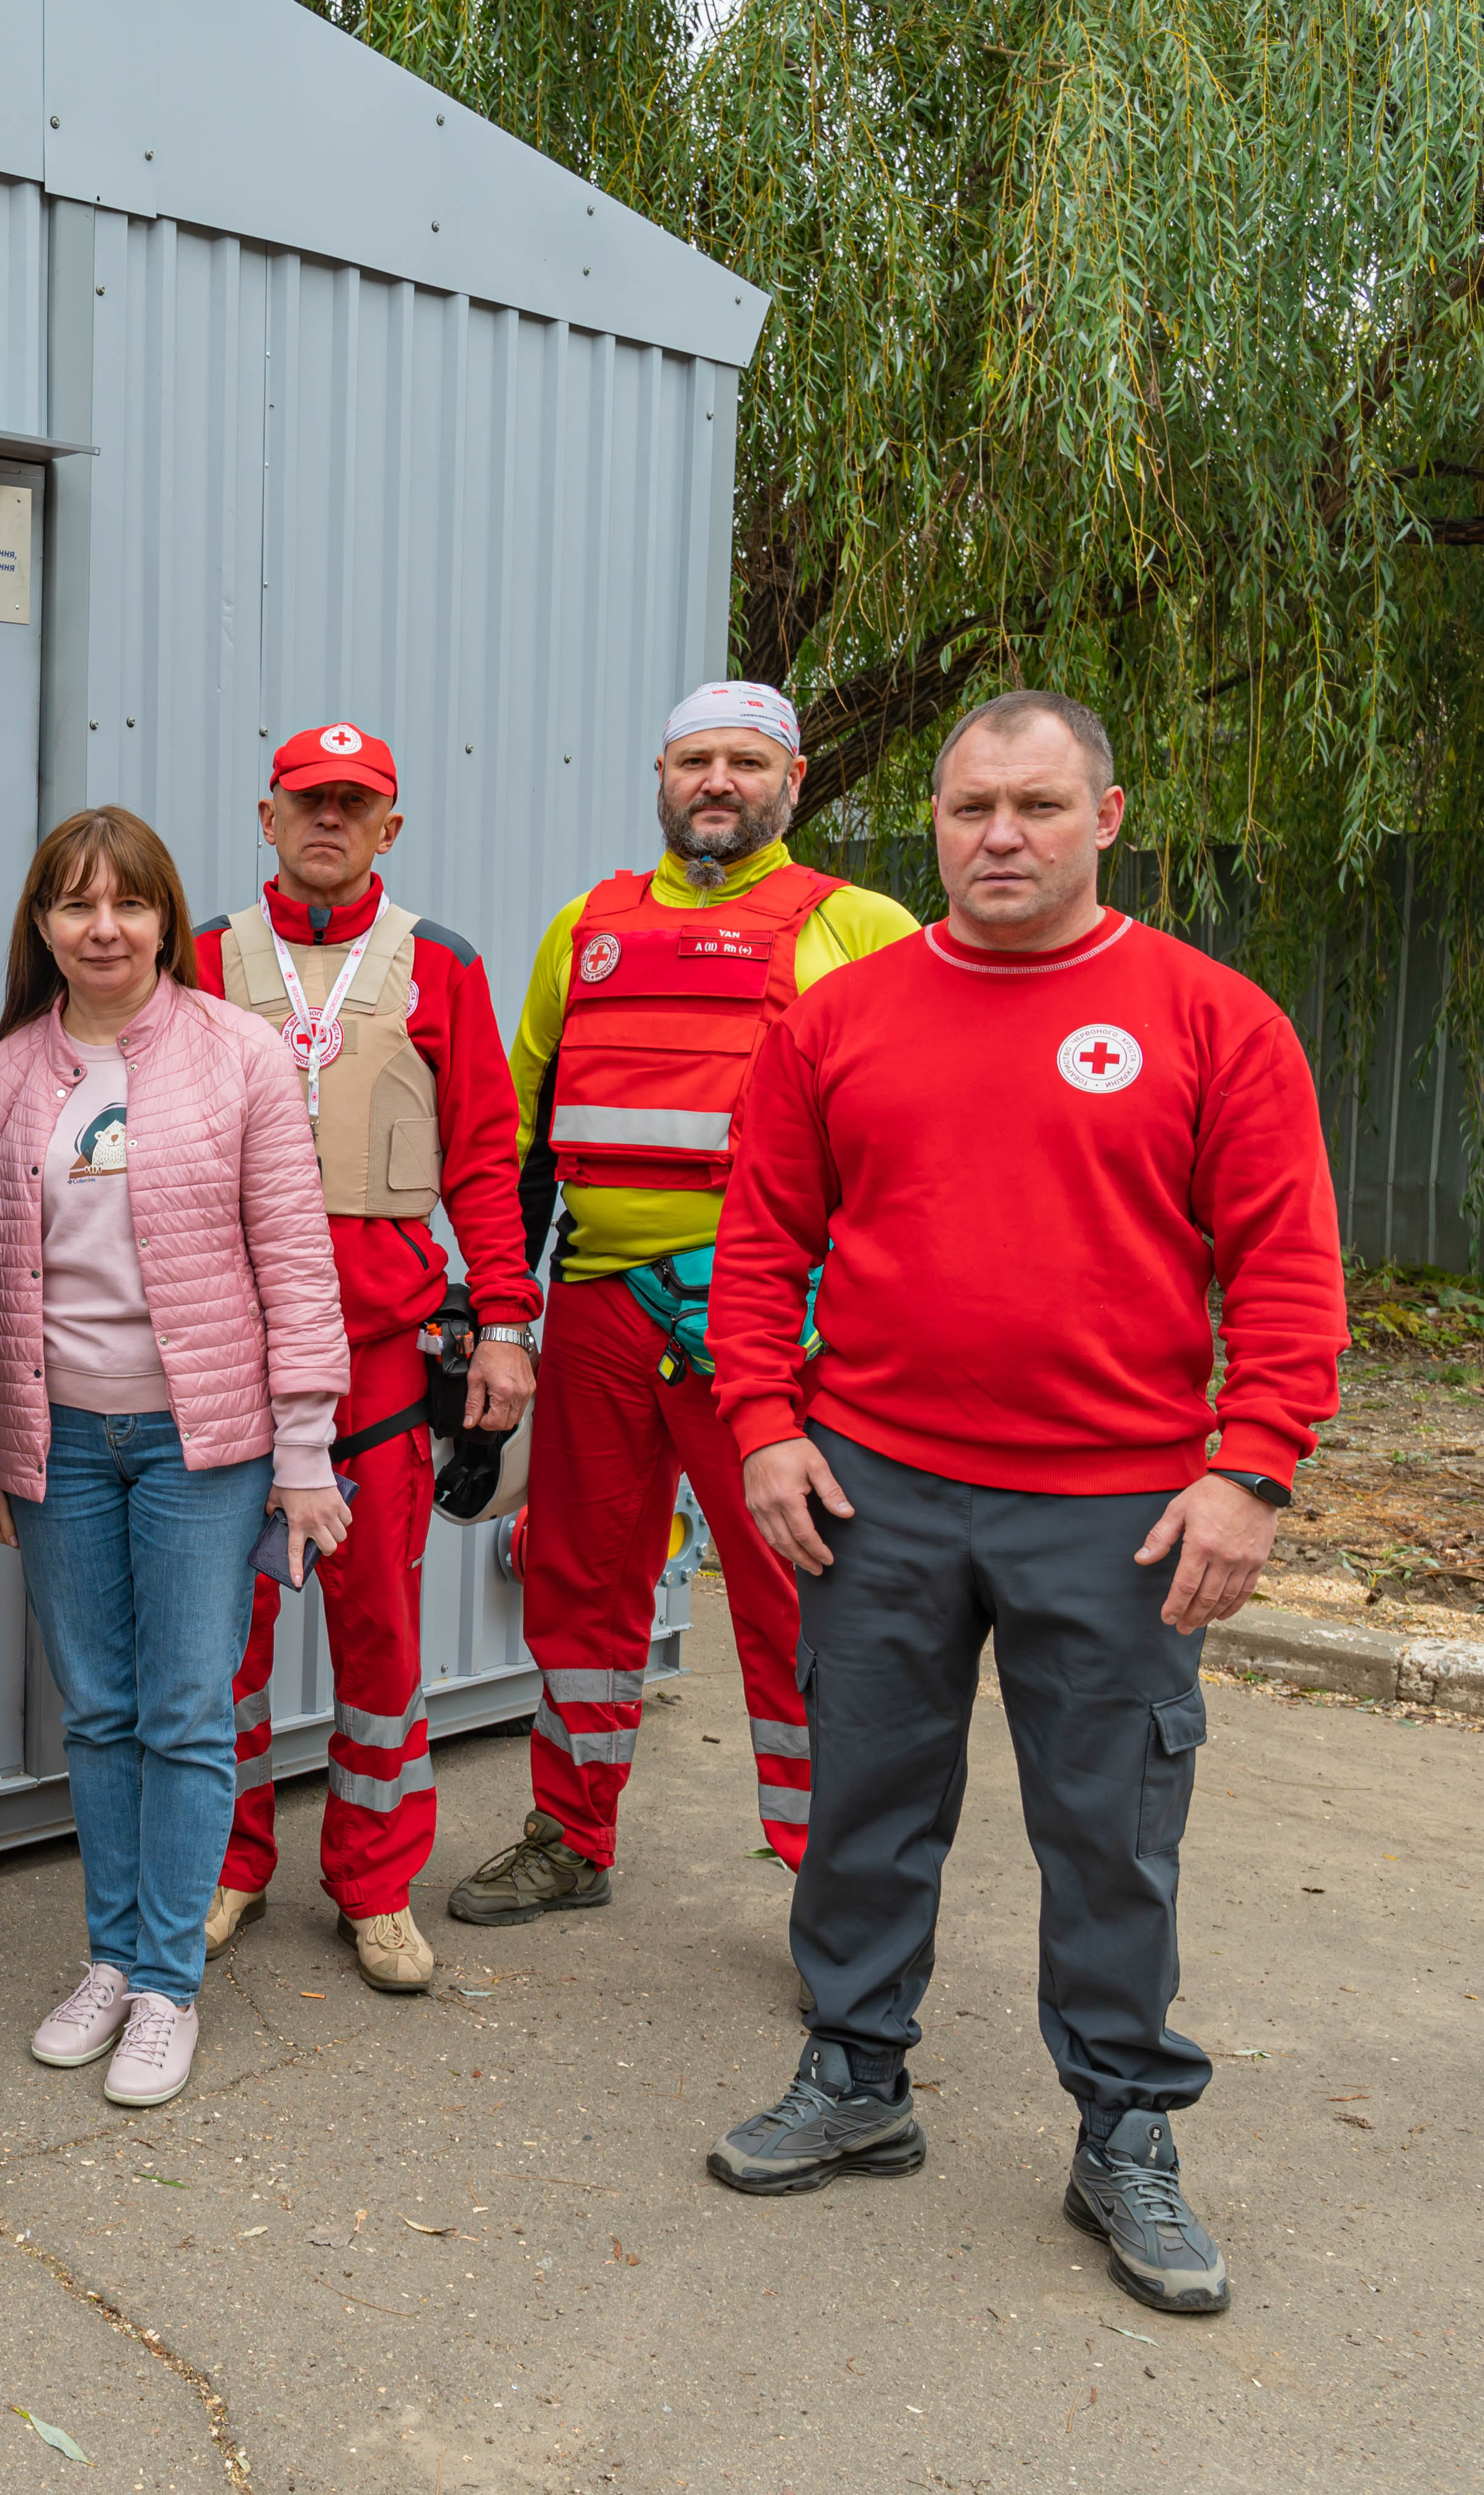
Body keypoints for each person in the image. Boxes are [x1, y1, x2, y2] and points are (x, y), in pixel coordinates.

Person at [703, 689, 1343, 2317]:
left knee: (1114, 1830)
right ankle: (856, 2077)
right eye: (971, 807)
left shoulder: (1213, 1020)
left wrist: (1251, 1470)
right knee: (864, 1795)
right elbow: (763, 1239)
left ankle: (1123, 2130)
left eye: (1039, 808)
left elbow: (1286, 1268)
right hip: (876, 1491)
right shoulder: (839, 1022)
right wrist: (767, 1426)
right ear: (930, 821)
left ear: (1107, 819)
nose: (1001, 836)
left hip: (1117, 1510)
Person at [449, 682, 921, 1930]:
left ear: (795, 782)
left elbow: (921, 1141)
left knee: (796, 1594)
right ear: (662, 772)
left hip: (770, 1323)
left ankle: (833, 1885)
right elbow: (524, 1144)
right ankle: (569, 1833)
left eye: (747, 763)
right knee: (579, 1578)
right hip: (601, 1310)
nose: (720, 781)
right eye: (698, 759)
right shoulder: (582, 929)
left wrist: (848, 1307)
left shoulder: (862, 925)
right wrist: (510, 1312)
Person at [0, 807, 350, 2105]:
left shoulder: (238, 1056)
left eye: (129, 903)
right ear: (44, 927)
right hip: (59, 1440)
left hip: (204, 1444)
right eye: (76, 905)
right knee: (103, 1711)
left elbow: (297, 1263)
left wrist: (304, 1456)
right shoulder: (8, 1072)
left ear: (169, 918)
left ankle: (169, 1979)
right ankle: (112, 1957)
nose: (104, 927)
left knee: (183, 1712)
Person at [184, 724, 537, 1993]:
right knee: (222, 1632)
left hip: (382, 1355)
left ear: (390, 828)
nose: (328, 821)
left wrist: (504, 1322)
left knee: (381, 1630)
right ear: (267, 817)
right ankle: (226, 1866)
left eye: (355, 804)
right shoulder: (205, 955)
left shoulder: (439, 964)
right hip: (228, 1348)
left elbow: (486, 1158)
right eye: (306, 802)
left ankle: (375, 1885)